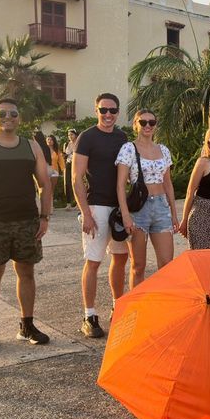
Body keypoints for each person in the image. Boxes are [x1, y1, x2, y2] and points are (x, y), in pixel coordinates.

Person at [0, 99, 53, 353]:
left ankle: (27, 325)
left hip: (27, 221)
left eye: (13, 113)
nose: (7, 117)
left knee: (27, 273)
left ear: (19, 118)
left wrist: (44, 217)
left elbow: (45, 183)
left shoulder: (31, 146)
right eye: (2, 113)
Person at [72, 93, 129, 339]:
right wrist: (85, 213)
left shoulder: (122, 137)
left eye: (112, 110)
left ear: (118, 112)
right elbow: (76, 178)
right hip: (96, 206)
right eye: (103, 110)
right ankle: (89, 315)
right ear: (96, 110)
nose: (108, 115)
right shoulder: (87, 138)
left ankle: (118, 305)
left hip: (119, 208)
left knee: (120, 258)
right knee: (93, 262)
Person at [116, 109, 179, 286]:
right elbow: (120, 185)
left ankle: (163, 305)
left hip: (161, 207)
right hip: (138, 209)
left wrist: (174, 213)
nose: (148, 126)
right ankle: (137, 308)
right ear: (135, 125)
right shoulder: (128, 149)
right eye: (143, 122)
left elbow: (168, 184)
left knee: (167, 264)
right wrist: (126, 215)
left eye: (152, 122)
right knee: (138, 266)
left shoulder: (163, 150)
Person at [63, 129, 78, 208]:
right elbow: (64, 155)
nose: (70, 136)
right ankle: (68, 203)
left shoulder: (79, 143)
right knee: (67, 183)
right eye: (69, 135)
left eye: (72, 134)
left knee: (76, 183)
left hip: (76, 164)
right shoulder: (66, 144)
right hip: (68, 164)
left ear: (75, 135)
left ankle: (77, 203)